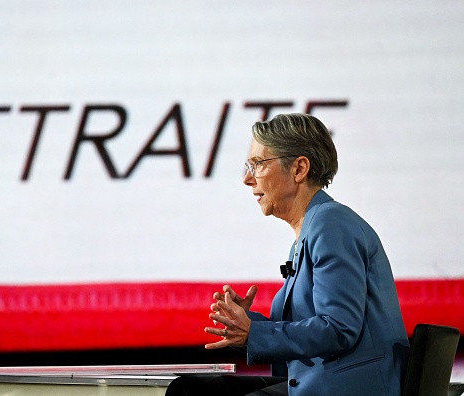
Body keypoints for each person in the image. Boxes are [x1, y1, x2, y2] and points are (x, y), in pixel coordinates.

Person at [166, 113, 409, 396]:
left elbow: (339, 328)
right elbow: (309, 326)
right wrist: (247, 325)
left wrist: (255, 334)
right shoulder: (312, 228)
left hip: (349, 388)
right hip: (319, 381)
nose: (247, 178)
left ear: (299, 169)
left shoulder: (331, 225)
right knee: (193, 389)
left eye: (257, 164)